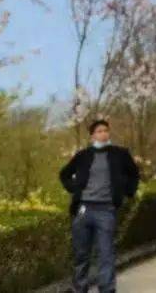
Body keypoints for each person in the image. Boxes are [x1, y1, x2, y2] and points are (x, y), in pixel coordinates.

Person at [59, 119, 141, 293]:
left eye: (105, 130)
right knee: (81, 253)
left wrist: (128, 192)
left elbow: (134, 174)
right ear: (92, 136)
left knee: (106, 253)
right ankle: (80, 287)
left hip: (106, 209)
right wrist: (75, 189)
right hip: (83, 209)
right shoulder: (83, 156)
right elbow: (64, 174)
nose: (103, 134)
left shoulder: (120, 154)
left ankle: (107, 288)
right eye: (99, 131)